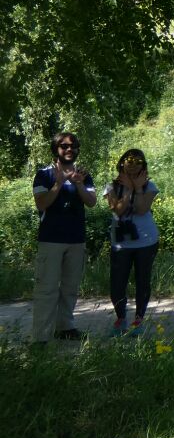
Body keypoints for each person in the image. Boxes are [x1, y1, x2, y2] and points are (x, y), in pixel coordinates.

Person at [31, 132, 96, 343]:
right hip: (51, 240)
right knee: (47, 289)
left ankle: (65, 328)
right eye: (64, 145)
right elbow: (42, 204)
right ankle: (40, 338)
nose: (69, 149)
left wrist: (78, 183)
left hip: (76, 240)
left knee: (70, 287)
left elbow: (91, 201)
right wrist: (58, 184)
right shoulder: (44, 175)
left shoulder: (84, 175)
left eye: (73, 145)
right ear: (56, 149)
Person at [103, 148, 159, 336]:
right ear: (121, 164)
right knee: (117, 283)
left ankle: (139, 320)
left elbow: (142, 209)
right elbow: (118, 210)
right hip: (120, 243)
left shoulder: (149, 186)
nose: (133, 166)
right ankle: (120, 319)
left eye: (138, 162)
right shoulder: (111, 187)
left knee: (142, 281)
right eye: (129, 161)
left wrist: (137, 188)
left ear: (144, 166)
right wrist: (127, 189)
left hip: (146, 241)